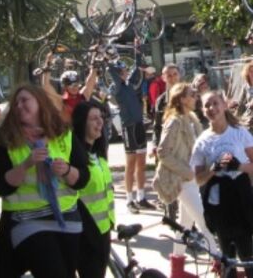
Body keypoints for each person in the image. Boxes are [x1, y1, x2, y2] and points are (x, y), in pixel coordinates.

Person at [0, 83, 89, 278]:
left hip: (66, 218)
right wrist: (26, 164)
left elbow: (82, 178)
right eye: (16, 103)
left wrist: (66, 170)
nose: (19, 106)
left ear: (40, 102)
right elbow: (1, 186)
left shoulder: (63, 134)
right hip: (27, 221)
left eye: (24, 100)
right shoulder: (6, 140)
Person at [192, 90, 253, 276]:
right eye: (207, 105)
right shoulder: (202, 141)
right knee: (227, 258)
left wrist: (238, 166)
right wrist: (213, 169)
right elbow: (198, 179)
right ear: (202, 110)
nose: (212, 108)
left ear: (224, 105)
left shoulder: (239, 133)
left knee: (247, 256)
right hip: (219, 204)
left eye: (215, 103)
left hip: (241, 199)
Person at [153, 82, 216, 275]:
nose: (196, 97)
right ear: (181, 99)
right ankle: (220, 260)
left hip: (191, 179)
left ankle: (177, 269)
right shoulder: (174, 122)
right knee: (203, 221)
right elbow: (162, 152)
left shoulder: (191, 119)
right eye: (191, 94)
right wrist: (187, 172)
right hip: (181, 179)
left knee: (185, 225)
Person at [71, 100, 115, 278]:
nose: (100, 122)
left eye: (101, 117)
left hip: (104, 230)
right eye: (93, 118)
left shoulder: (98, 155)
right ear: (82, 123)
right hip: (86, 235)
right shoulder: (76, 157)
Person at [107, 55, 151, 213]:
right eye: (124, 70)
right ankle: (129, 200)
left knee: (142, 163)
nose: (127, 72)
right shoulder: (117, 87)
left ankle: (141, 197)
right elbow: (112, 71)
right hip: (129, 128)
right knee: (131, 164)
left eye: (126, 70)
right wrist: (108, 59)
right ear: (119, 73)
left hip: (139, 126)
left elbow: (137, 69)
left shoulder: (129, 84)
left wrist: (137, 49)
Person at [152, 63, 182, 158]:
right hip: (167, 148)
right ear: (163, 78)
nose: (173, 78)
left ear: (179, 75)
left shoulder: (189, 96)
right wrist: (155, 145)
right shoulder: (160, 101)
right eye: (169, 75)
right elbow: (157, 127)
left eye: (175, 74)